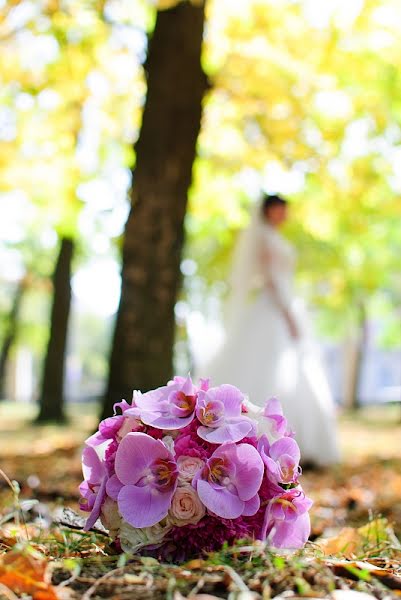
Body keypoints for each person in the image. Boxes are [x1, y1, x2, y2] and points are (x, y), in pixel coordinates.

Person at [200, 194, 339, 466]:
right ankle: (265, 442)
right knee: (266, 367)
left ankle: (295, 444)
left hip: (286, 302)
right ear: (269, 211)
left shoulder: (275, 236)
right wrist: (287, 313)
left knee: (296, 370)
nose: (284, 214)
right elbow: (271, 278)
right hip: (275, 306)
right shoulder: (263, 237)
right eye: (280, 209)